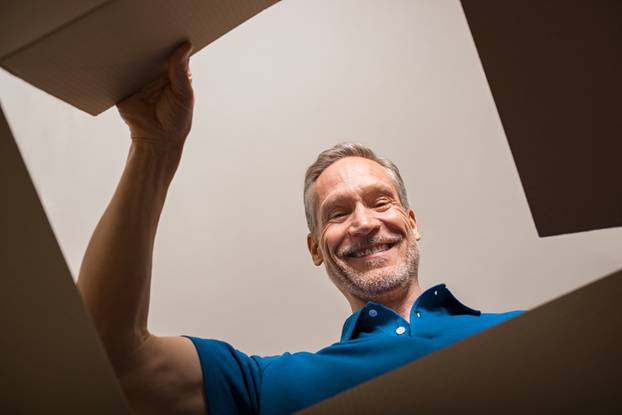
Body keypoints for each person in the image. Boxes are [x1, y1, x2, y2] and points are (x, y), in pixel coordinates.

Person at [77, 43, 521, 415]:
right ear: (316, 248)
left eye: (380, 202)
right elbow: (108, 359)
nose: (364, 223)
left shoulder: (528, 333)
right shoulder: (265, 386)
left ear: (412, 223)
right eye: (337, 213)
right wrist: (155, 148)